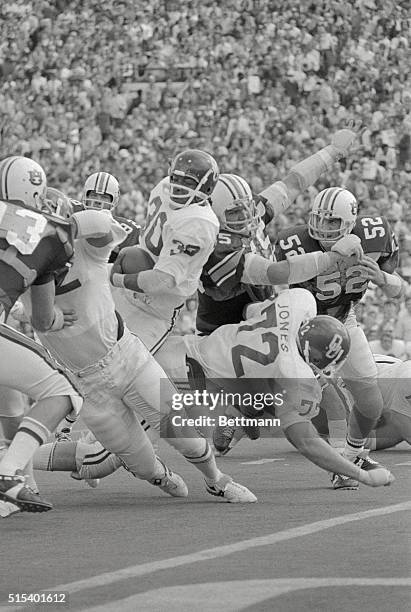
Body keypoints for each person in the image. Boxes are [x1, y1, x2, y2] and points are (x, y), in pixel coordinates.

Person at [24, 172, 256, 504]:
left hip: (126, 356)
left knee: (184, 432)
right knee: (129, 464)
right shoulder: (21, 273)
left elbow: (100, 222)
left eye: (55, 234)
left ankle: (216, 479)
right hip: (87, 383)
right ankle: (159, 476)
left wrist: (63, 224)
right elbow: (38, 316)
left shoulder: (89, 250)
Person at [38, 289, 394, 490]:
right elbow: (304, 441)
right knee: (101, 460)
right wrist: (360, 474)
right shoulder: (297, 373)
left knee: (252, 410)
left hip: (182, 351)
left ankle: (231, 423)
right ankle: (18, 455)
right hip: (186, 378)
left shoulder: (300, 302)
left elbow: (256, 310)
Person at [275, 186, 403, 489]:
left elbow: (397, 289)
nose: (322, 227)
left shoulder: (376, 235)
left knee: (371, 404)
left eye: (332, 221)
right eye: (319, 219)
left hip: (344, 321)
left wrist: (383, 278)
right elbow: (277, 290)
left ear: (350, 221)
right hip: (300, 326)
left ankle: (354, 454)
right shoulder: (294, 242)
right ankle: (341, 467)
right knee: (329, 399)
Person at [197, 123, 361, 334]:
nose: (246, 216)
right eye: (234, 212)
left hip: (253, 322)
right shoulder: (218, 247)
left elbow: (292, 184)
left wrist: (332, 151)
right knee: (298, 307)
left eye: (246, 207)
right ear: (215, 214)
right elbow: (273, 273)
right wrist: (331, 256)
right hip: (223, 336)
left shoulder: (251, 214)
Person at [0, 156, 83, 515]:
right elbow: (43, 318)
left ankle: (17, 481)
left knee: (11, 405)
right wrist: (57, 319)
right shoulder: (54, 234)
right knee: (63, 393)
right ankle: (6, 473)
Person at [111, 149, 220, 354]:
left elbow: (160, 281)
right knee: (117, 365)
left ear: (205, 186)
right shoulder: (199, 221)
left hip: (140, 287)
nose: (178, 187)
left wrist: (115, 279)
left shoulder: (165, 187)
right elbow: (160, 281)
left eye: (187, 182)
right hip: (152, 302)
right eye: (176, 178)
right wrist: (117, 280)